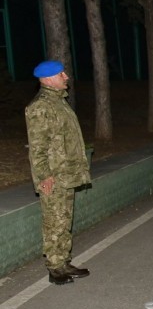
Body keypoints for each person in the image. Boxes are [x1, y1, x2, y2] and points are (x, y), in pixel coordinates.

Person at [24, 60, 92, 286]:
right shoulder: (42, 106)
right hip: (53, 176)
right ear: (48, 78)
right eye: (61, 74)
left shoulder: (58, 103)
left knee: (64, 220)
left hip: (65, 173)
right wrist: (44, 176)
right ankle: (55, 268)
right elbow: (38, 146)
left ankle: (63, 262)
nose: (66, 77)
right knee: (54, 222)